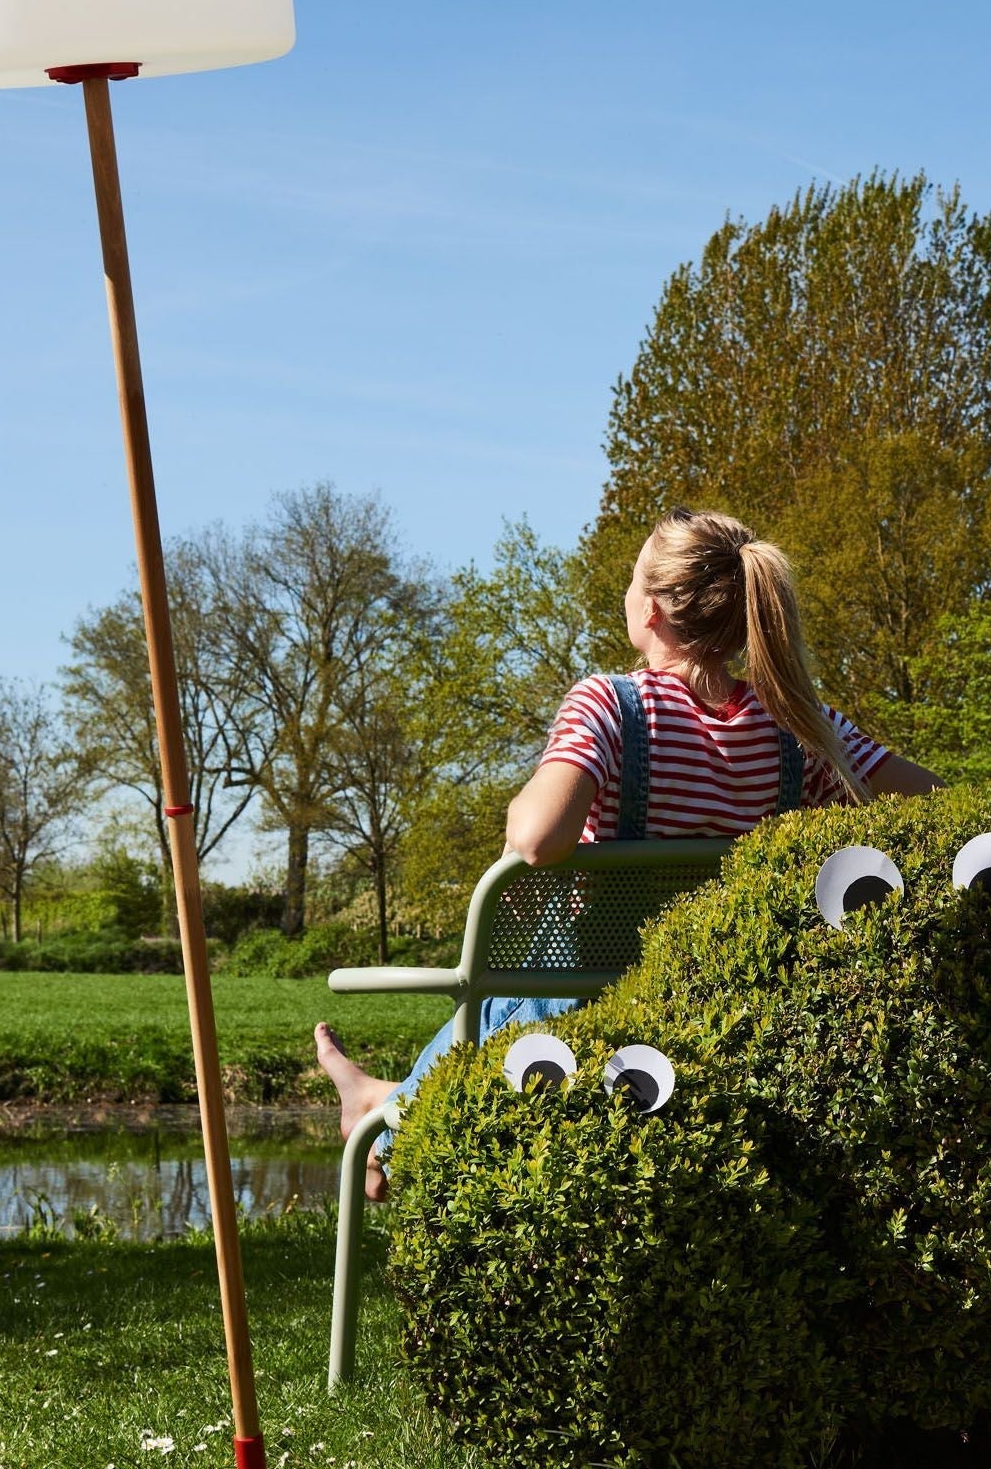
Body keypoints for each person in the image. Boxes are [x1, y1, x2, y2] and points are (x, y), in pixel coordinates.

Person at [315, 508, 943, 1195]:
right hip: (720, 999)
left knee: (510, 993)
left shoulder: (610, 706)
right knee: (509, 997)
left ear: (649, 610)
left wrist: (521, 805)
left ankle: (392, 1123)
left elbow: (535, 838)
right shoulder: (797, 726)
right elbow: (935, 809)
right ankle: (386, 1103)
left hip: (596, 1005)